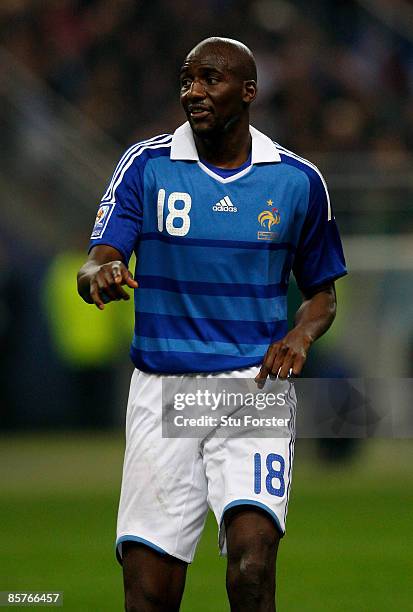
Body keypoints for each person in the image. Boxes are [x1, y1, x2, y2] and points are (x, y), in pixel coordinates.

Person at [77, 37, 346, 612]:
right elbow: (98, 257)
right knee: (149, 592)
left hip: (254, 389)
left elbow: (322, 295)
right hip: (163, 391)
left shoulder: (298, 182)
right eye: (187, 80)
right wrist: (99, 272)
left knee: (252, 567)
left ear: (248, 92)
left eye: (210, 80)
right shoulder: (146, 165)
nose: (193, 92)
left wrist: (301, 334)